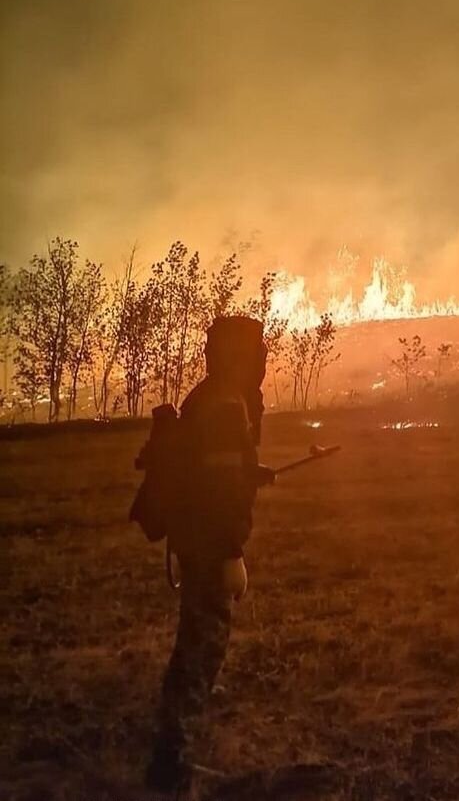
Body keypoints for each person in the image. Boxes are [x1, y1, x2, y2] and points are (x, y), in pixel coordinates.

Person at [144, 315, 273, 794]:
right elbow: (218, 490)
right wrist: (230, 555)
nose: (264, 359)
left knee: (193, 649)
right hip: (208, 544)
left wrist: (249, 471)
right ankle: (173, 766)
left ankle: (172, 754)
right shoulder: (224, 404)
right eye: (257, 350)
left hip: (195, 538)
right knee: (201, 653)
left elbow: (216, 469)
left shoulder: (214, 395)